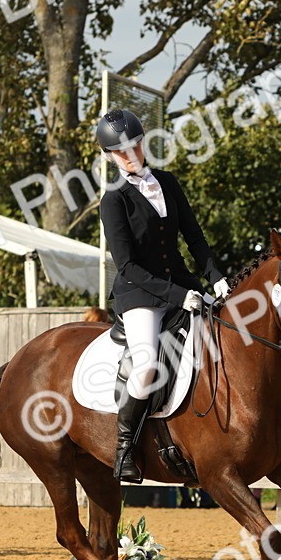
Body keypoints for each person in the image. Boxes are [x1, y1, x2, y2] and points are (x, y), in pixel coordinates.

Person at [97, 109, 230, 483]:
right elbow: (127, 266)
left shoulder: (167, 182)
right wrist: (178, 294)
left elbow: (194, 236)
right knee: (146, 367)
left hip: (184, 285)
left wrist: (216, 277)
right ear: (109, 156)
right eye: (121, 151)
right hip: (139, 294)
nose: (130, 154)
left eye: (135, 145)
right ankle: (125, 449)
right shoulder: (113, 200)